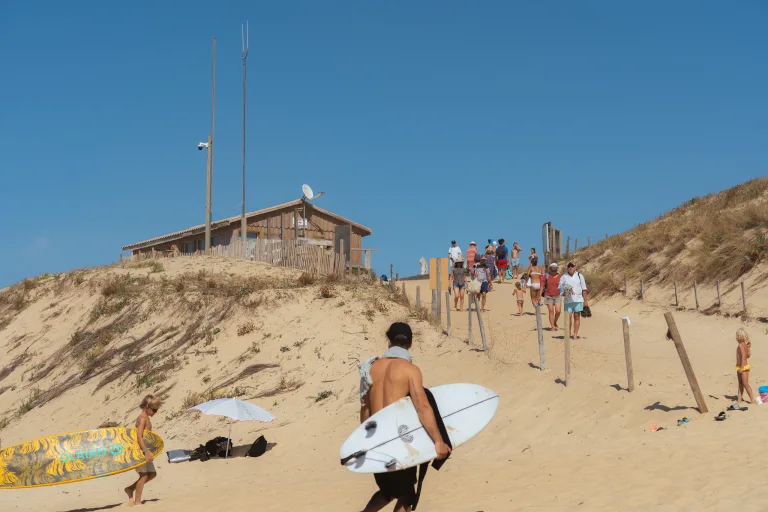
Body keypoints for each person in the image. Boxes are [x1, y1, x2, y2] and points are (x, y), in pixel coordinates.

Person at [359, 323, 451, 512]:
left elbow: (365, 409)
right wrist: (438, 441)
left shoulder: (370, 368)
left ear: (389, 341)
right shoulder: (410, 370)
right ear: (410, 343)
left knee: (388, 490)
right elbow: (422, 407)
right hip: (401, 440)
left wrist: (365, 442)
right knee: (406, 494)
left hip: (378, 440)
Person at [125, 395, 162, 506]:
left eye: (157, 410)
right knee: (144, 475)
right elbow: (139, 436)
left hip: (144, 450)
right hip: (139, 451)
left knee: (152, 474)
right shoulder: (142, 418)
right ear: (146, 407)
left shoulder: (147, 418)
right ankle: (137, 502)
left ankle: (130, 489)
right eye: (154, 409)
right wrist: (146, 451)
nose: (155, 412)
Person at [559, 262, 588, 340]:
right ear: (567, 267)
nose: (570, 267)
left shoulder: (579, 276)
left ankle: (575, 335)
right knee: (568, 318)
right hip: (568, 301)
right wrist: (565, 291)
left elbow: (584, 289)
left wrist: (585, 301)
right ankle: (568, 333)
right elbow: (560, 289)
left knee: (576, 317)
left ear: (575, 267)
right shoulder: (563, 277)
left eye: (572, 266)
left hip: (578, 300)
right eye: (569, 266)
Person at [735, 328, 756, 404]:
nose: (736, 338)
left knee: (745, 384)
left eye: (737, 336)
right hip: (740, 366)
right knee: (740, 383)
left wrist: (741, 368)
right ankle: (739, 400)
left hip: (742, 367)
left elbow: (744, 356)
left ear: (740, 336)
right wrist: (749, 347)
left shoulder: (741, 345)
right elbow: (748, 355)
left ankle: (752, 400)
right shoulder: (744, 345)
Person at [542, 263, 563, 330]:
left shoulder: (560, 276)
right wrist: (539, 295)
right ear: (550, 269)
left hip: (557, 295)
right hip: (548, 295)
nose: (554, 271)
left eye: (555, 269)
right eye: (552, 269)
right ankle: (552, 327)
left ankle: (554, 322)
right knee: (551, 311)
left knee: (558, 311)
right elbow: (542, 285)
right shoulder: (546, 276)